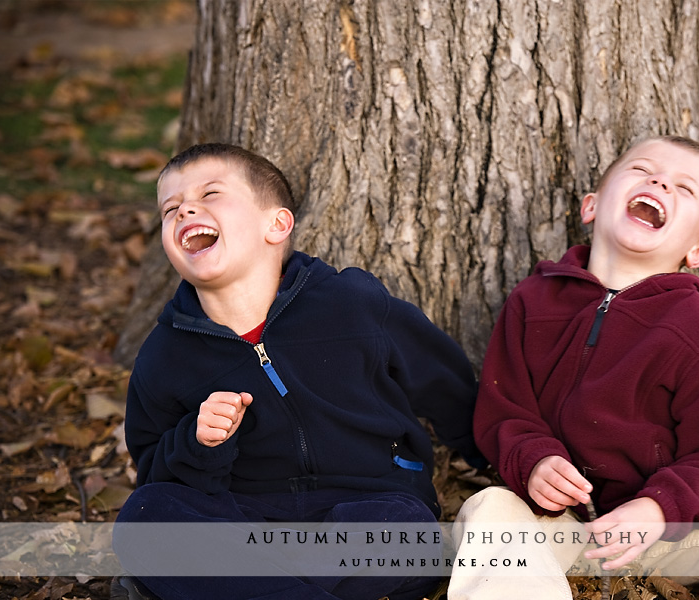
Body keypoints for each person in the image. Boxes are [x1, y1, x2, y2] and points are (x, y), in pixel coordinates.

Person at [447, 136, 699, 600]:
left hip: (674, 535)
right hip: (554, 526)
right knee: (488, 509)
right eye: (642, 170)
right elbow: (505, 410)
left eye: (684, 189)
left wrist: (658, 508)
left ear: (698, 253)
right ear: (592, 206)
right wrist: (535, 461)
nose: (660, 181)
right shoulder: (534, 301)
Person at [112, 143, 484, 600]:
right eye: (170, 209)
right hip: (244, 516)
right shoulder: (165, 354)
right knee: (144, 517)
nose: (185, 208)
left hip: (368, 503)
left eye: (210, 194)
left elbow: (443, 380)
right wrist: (200, 442)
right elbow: (154, 471)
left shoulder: (352, 304)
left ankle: (229, 584)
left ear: (277, 224)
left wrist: (504, 458)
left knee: (404, 534)